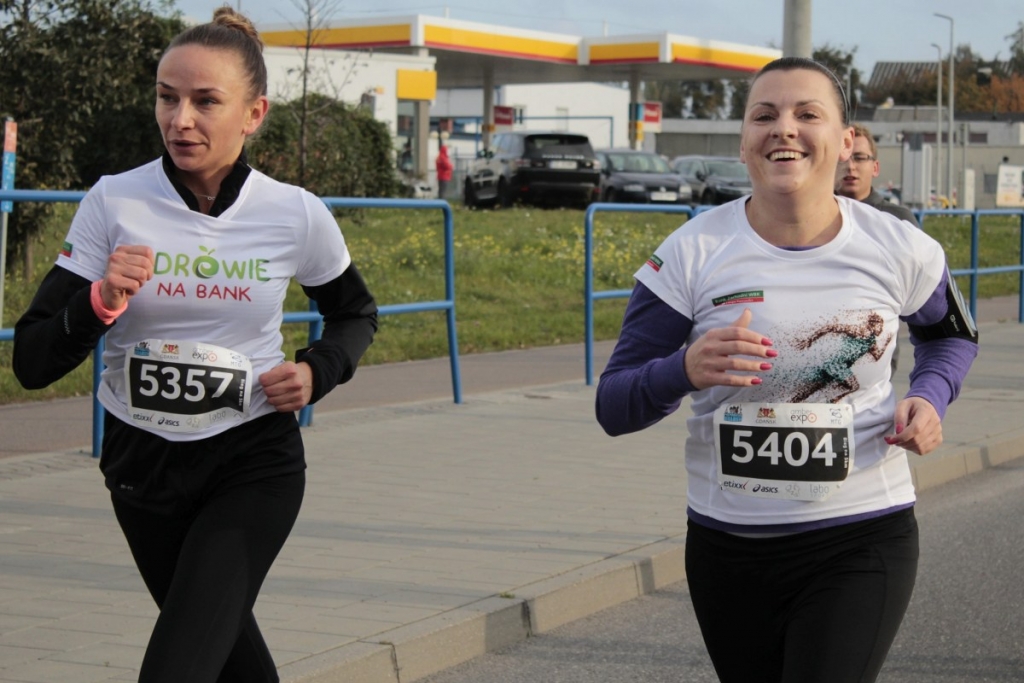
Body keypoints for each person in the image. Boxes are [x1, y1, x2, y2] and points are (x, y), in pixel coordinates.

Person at [12, 8, 377, 682]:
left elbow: (355, 312)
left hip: (252, 461)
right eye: (167, 97)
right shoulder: (114, 202)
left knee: (178, 667)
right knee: (231, 663)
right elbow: (32, 360)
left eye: (206, 101)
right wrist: (98, 302)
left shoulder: (293, 211)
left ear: (253, 113)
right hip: (141, 466)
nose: (180, 120)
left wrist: (317, 370)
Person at [596, 57, 977, 683]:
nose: (785, 129)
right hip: (727, 546)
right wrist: (683, 370)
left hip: (861, 533)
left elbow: (952, 335)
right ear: (743, 141)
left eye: (807, 114)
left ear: (846, 141)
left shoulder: (899, 246)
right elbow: (613, 406)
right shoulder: (691, 252)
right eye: (764, 115)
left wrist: (930, 396)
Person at [836, 123, 919, 226]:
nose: (850, 166)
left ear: (875, 168)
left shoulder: (899, 219)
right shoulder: (819, 218)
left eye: (859, 158)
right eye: (842, 159)